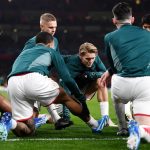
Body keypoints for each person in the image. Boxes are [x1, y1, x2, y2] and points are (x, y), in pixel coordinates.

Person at [0, 32, 105, 141]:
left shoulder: (24, 53)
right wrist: (80, 97)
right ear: (51, 44)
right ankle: (94, 124)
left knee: (28, 130)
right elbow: (67, 78)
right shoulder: (51, 51)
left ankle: (9, 122)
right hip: (33, 78)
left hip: (12, 82)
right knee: (66, 97)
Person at [100, 2, 150, 149]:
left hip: (122, 84)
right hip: (145, 85)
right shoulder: (146, 34)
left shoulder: (109, 37)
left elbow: (114, 65)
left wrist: (110, 71)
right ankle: (140, 129)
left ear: (114, 20)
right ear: (133, 19)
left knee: (117, 98)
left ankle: (123, 128)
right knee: (147, 127)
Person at [23, 12, 71, 129]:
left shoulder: (55, 41)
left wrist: (73, 59)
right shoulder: (32, 42)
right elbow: (23, 61)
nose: (53, 30)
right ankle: (41, 118)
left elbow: (57, 59)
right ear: (42, 27)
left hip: (44, 80)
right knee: (29, 123)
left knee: (58, 114)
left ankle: (48, 118)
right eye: (50, 27)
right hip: (31, 81)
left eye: (55, 27)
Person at [61, 42, 116, 127]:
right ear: (80, 56)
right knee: (55, 118)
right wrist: (66, 117)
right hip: (72, 92)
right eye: (87, 59)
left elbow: (104, 73)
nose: (91, 61)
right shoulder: (72, 63)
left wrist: (89, 75)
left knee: (100, 80)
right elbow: (66, 87)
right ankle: (43, 118)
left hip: (86, 90)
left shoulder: (96, 58)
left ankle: (106, 117)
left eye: (92, 58)